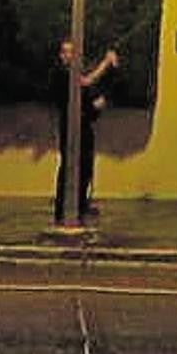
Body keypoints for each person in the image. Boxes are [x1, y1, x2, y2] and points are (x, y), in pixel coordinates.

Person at [50, 41, 118, 225]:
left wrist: (94, 107)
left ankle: (80, 204)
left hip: (83, 126)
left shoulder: (73, 74)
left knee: (85, 167)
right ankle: (64, 208)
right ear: (61, 55)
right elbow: (85, 82)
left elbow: (85, 94)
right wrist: (105, 62)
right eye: (66, 52)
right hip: (70, 127)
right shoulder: (62, 74)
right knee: (70, 167)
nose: (70, 55)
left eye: (73, 52)